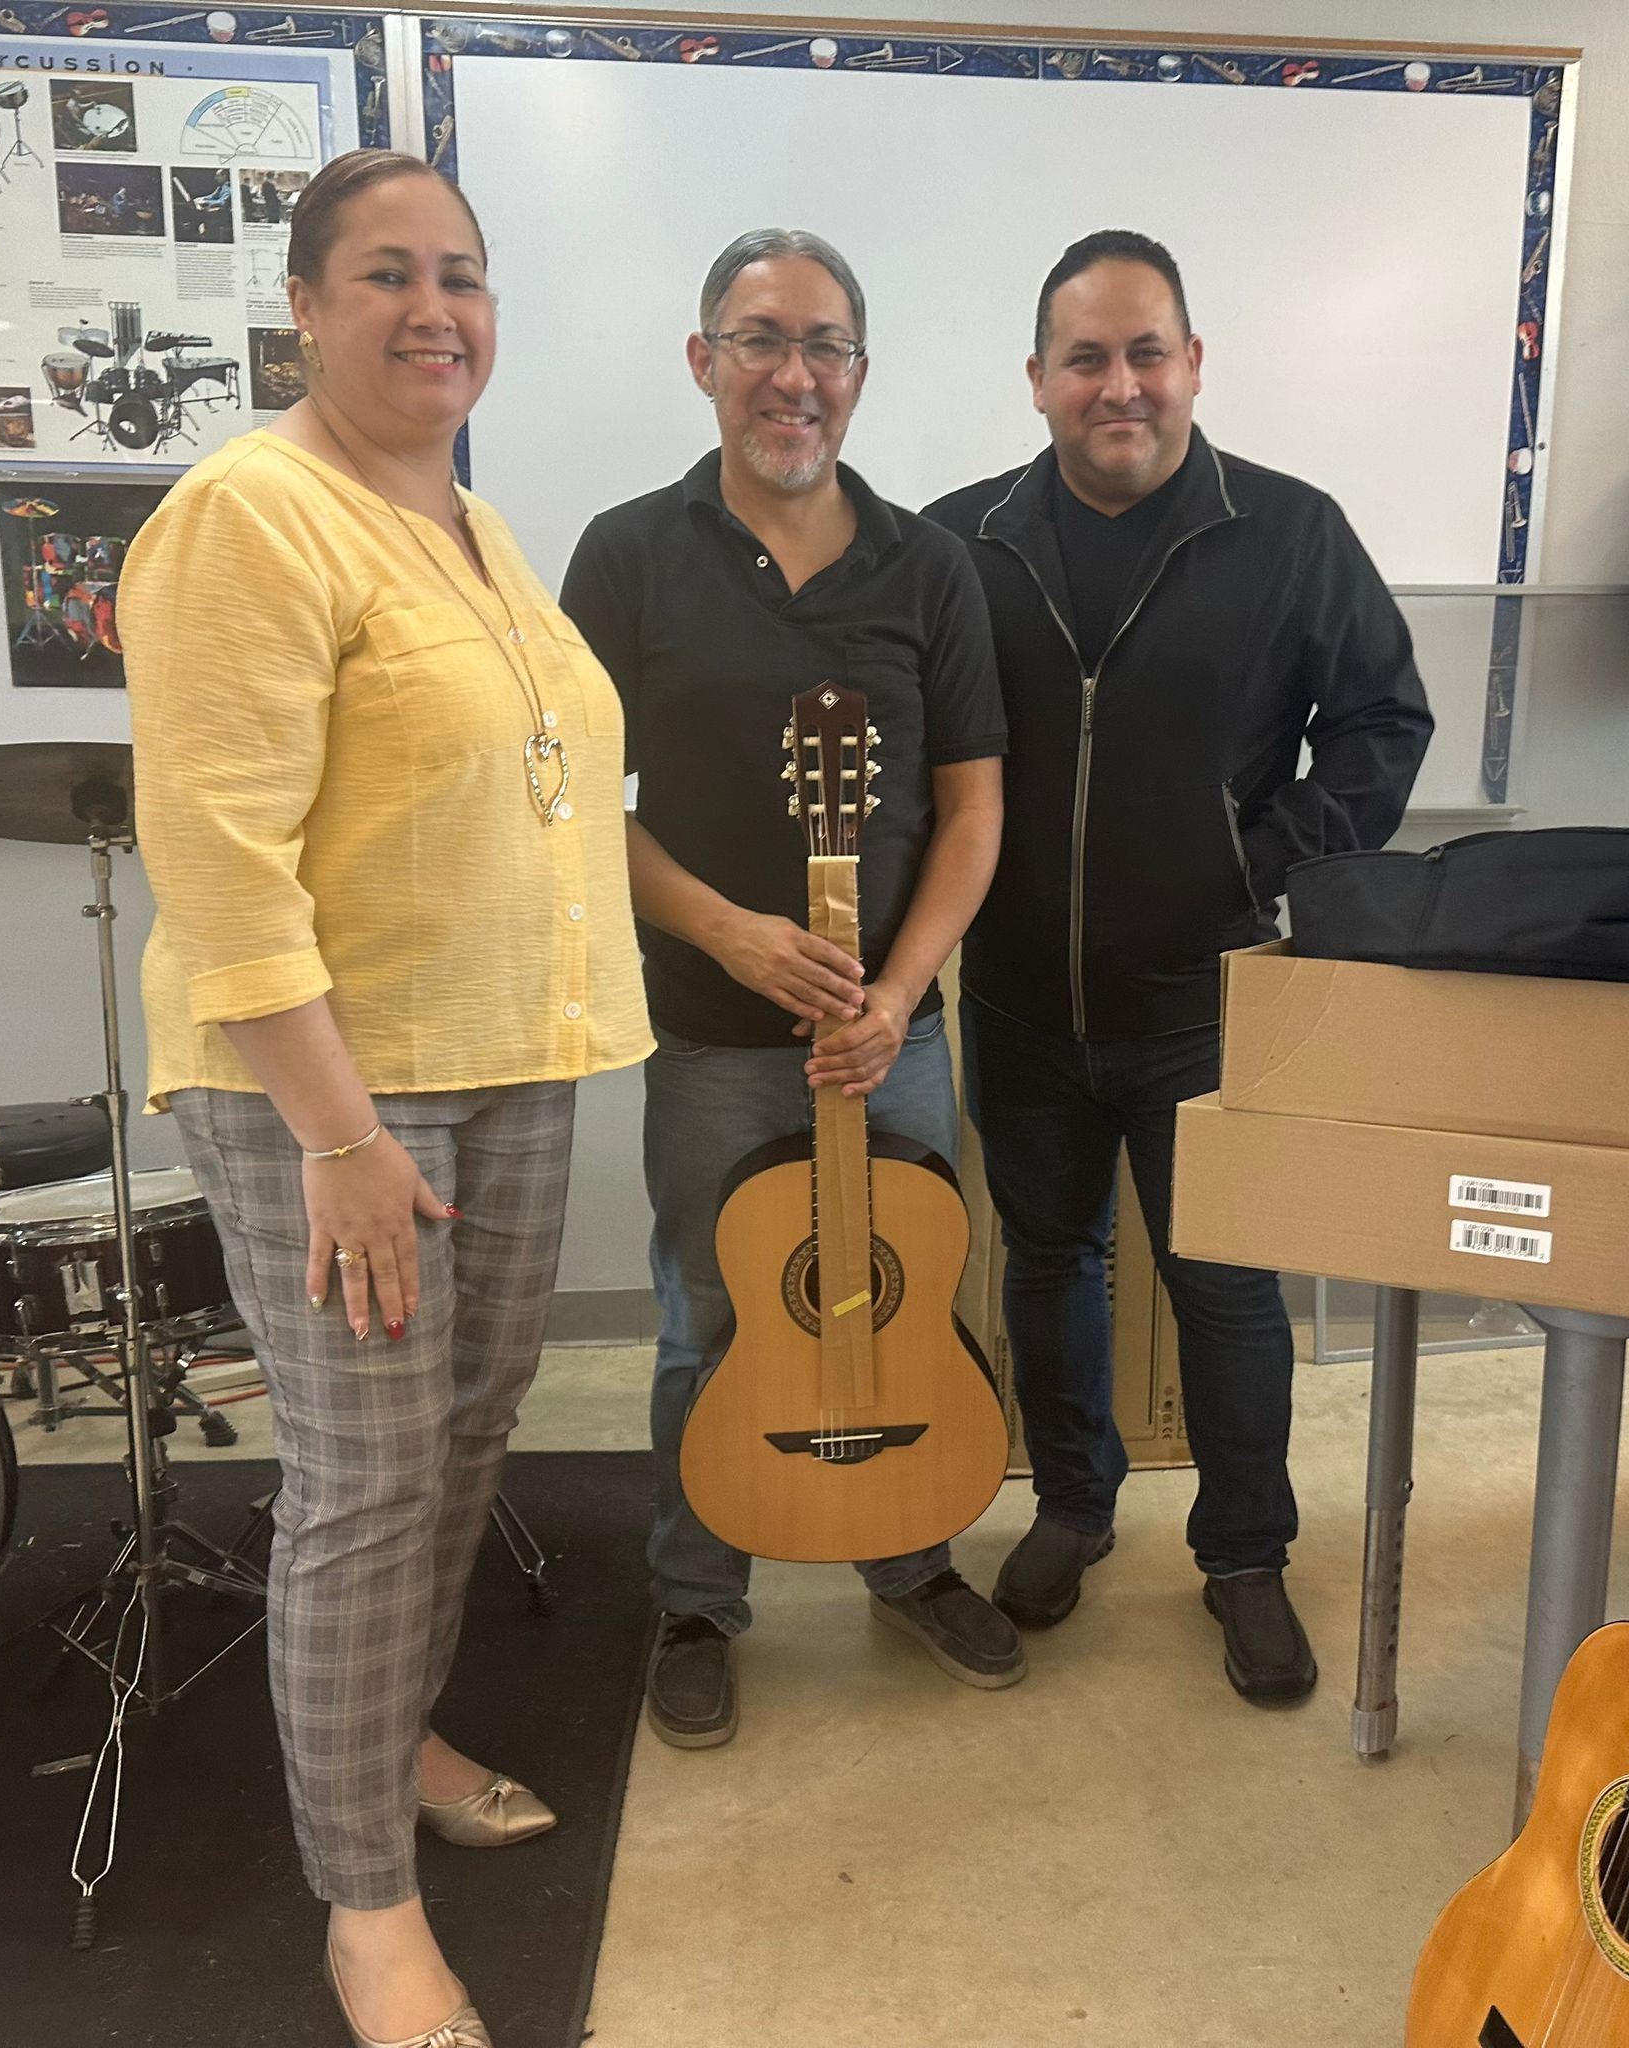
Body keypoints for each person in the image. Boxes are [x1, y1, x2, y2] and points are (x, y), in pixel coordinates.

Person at [120, 148, 650, 2048]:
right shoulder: (249, 517)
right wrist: (339, 1140)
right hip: (330, 1089)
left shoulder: (474, 530)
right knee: (363, 1479)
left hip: (509, 1053)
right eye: (389, 276)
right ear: (305, 306)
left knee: (470, 1432)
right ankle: (367, 1906)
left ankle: (392, 1737)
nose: (438, 309)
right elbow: (219, 859)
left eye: (467, 276)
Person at [925, 230, 1433, 1706]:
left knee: (1224, 1288)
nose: (1120, 384)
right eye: (1086, 357)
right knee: (1048, 1262)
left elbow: (1382, 723)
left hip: (1203, 1006)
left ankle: (1245, 1555)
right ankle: (1073, 1506)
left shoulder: (1289, 532)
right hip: (1016, 1003)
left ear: (1196, 365)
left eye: (1149, 352)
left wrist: (1259, 861)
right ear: (1037, 381)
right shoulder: (961, 544)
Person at [561, 228, 1020, 1751]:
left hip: (895, 1038)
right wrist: (728, 932)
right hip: (707, 1039)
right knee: (710, 1317)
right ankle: (699, 1597)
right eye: (760, 339)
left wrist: (901, 990)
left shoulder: (931, 566)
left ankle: (910, 1556)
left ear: (861, 376)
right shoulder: (627, 557)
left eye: (825, 345)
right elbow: (571, 803)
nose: (793, 374)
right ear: (704, 361)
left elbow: (972, 810)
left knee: (905, 1300)